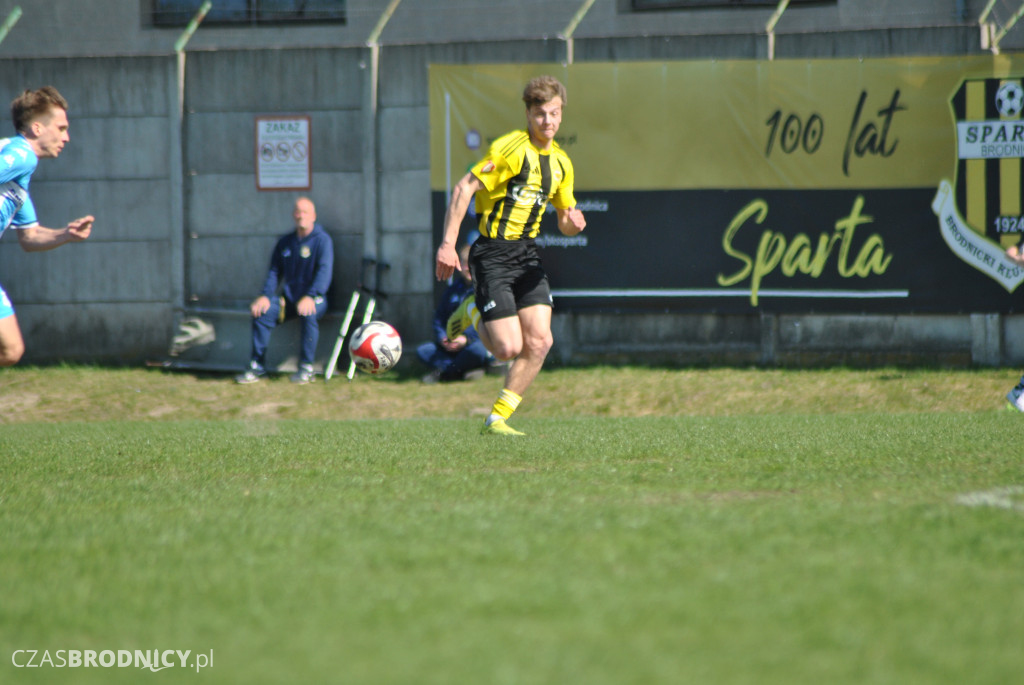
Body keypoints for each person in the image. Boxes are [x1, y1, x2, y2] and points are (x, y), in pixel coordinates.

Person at [435, 75, 587, 435]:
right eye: (539, 114)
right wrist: (447, 243)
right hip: (492, 254)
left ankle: (496, 419)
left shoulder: (562, 164)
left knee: (540, 341)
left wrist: (573, 223)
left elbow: (565, 220)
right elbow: (464, 188)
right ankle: (471, 311)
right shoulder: (512, 149)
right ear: (528, 114)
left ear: (562, 115)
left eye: (553, 114)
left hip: (527, 257)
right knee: (507, 348)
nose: (547, 121)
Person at [0, 87, 94, 367]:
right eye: (61, 128)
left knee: (11, 349)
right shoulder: (21, 154)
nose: (66, 137)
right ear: (37, 127)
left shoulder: (19, 175)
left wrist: (65, 234)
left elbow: (29, 236)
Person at [236, 197, 333, 385]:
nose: (301, 216)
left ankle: (306, 368)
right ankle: (257, 367)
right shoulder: (286, 242)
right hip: (289, 300)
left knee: (308, 312)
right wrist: (265, 296)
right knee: (262, 312)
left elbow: (324, 272)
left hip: (316, 299)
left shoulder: (322, 241)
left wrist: (311, 296)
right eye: (298, 212)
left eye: (305, 212)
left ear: (313, 216)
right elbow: (274, 272)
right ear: (293, 215)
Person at [418, 243, 490, 383]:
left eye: (472, 263)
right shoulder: (452, 289)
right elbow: (438, 317)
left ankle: (444, 373)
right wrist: (443, 337)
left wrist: (466, 339)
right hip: (449, 344)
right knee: (423, 351)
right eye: (465, 264)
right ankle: (462, 371)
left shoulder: (486, 289)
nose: (468, 268)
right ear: (459, 266)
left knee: (478, 351)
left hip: (472, 344)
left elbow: (489, 321)